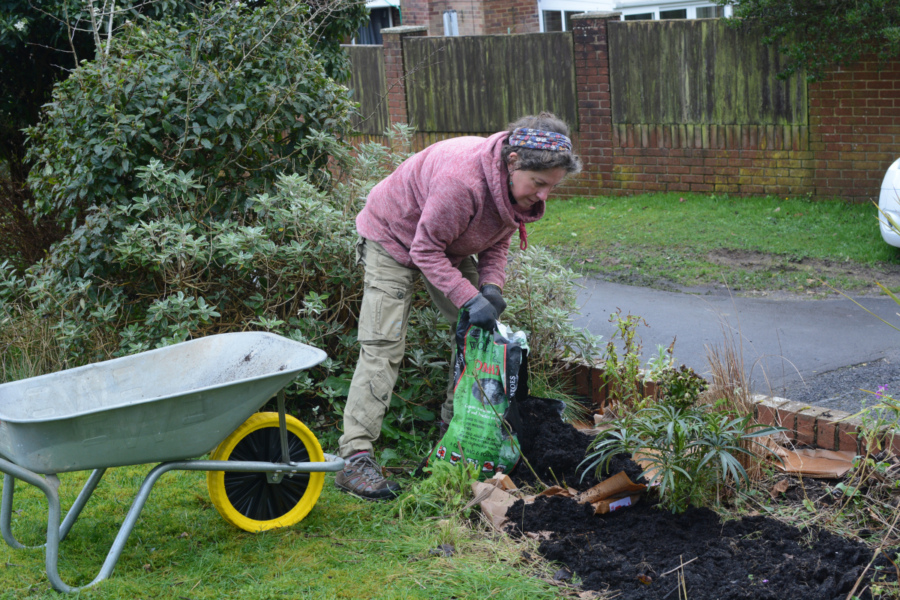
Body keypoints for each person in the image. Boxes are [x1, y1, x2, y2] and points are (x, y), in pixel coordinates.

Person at [334, 113, 583, 499]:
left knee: (480, 337)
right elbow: (423, 249)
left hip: (444, 243)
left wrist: (490, 287)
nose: (544, 195)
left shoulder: (514, 188)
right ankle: (355, 459)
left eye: (552, 187)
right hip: (394, 238)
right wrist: (469, 298)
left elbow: (498, 237)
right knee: (383, 347)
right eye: (539, 184)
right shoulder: (462, 182)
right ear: (513, 161)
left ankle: (456, 439)